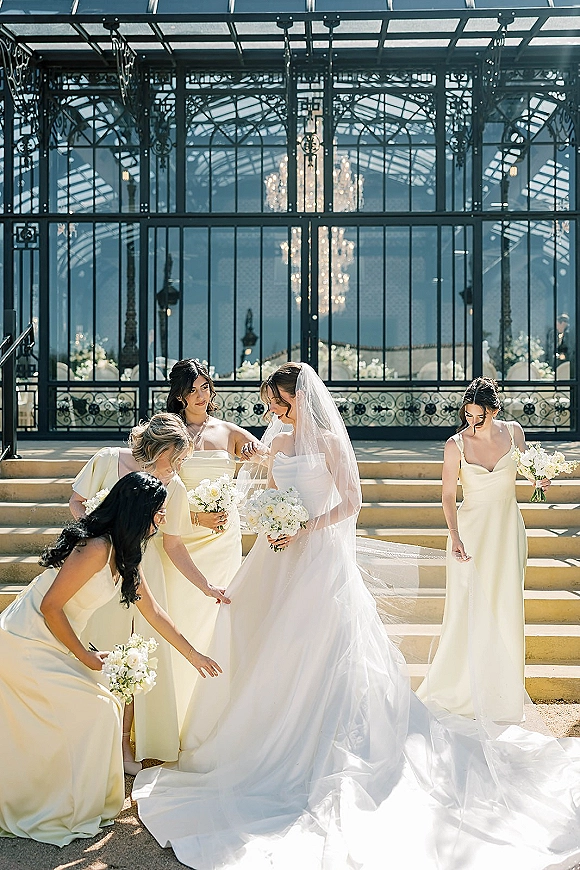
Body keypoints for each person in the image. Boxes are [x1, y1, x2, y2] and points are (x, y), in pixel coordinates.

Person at [134, 363, 580, 870]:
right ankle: (255, 738)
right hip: (277, 556)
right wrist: (267, 518)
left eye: (282, 403)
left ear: (301, 398)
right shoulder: (277, 441)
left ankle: (325, 745)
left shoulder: (328, 442)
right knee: (258, 636)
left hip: (319, 556)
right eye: (273, 406)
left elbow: (352, 501)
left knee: (326, 646)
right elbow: (260, 493)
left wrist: (304, 527)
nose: (276, 413)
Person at [0, 473, 221, 847]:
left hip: (56, 641)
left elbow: (153, 612)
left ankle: (82, 802)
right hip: (25, 640)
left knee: (105, 707)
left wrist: (193, 654)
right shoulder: (96, 548)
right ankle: (49, 803)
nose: (163, 519)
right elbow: (50, 607)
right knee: (96, 708)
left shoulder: (126, 551)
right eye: (159, 512)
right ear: (139, 511)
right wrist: (85, 655)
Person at [69, 413, 230, 773]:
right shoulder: (108, 460)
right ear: (156, 447)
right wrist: (92, 539)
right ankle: (85, 736)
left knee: (129, 656)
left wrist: (206, 586)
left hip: (141, 572)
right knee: (93, 647)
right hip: (98, 567)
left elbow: (173, 545)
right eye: (174, 457)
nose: (176, 466)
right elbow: (77, 501)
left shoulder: (173, 488)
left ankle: (124, 744)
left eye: (181, 460)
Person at [416, 377, 549, 722]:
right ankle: (462, 690)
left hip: (507, 531)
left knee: (506, 607)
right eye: (469, 416)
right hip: (470, 534)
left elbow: (526, 470)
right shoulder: (455, 444)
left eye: (480, 417)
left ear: (495, 410)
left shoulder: (514, 432)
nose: (473, 423)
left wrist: (540, 481)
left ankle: (502, 698)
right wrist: (455, 535)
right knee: (468, 611)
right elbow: (447, 495)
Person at [164, 359, 265, 725]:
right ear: (179, 394)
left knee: (220, 613)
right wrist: (192, 516)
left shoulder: (227, 430)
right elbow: (154, 480)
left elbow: (267, 459)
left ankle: (216, 707)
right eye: (192, 389)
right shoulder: (168, 432)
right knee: (181, 611)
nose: (200, 395)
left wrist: (253, 456)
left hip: (222, 536)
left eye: (205, 387)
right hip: (180, 532)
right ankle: (176, 706)